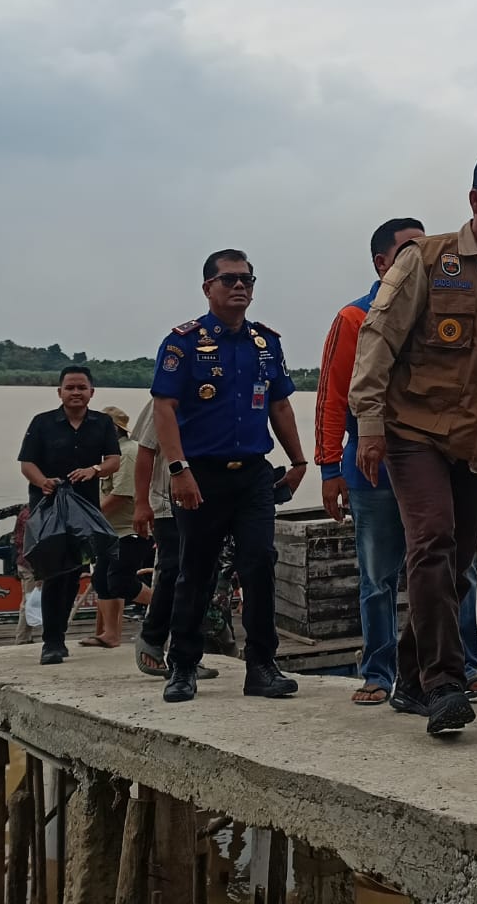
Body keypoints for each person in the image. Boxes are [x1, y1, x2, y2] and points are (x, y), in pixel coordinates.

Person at [348, 149, 477, 736]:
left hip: (476, 441)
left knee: (455, 566)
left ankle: (410, 680)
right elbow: (377, 340)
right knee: (433, 541)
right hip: (413, 432)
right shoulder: (425, 259)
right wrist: (369, 427)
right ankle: (445, 685)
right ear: (474, 200)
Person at [316, 218, 477, 706]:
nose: (422, 255)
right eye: (408, 249)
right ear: (382, 263)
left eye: (425, 245)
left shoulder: (448, 306)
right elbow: (333, 398)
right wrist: (329, 468)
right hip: (375, 467)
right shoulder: (354, 318)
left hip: (439, 461)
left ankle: (463, 666)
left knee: (456, 565)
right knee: (379, 576)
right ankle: (379, 673)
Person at [148, 248, 310, 703]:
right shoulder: (183, 343)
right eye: (229, 279)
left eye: (247, 280)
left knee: (259, 564)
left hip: (254, 475)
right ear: (208, 288)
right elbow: (164, 408)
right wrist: (178, 470)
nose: (240, 286)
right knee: (195, 570)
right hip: (200, 475)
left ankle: (262, 666)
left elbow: (280, 404)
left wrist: (299, 461)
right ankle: (183, 666)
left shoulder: (265, 343)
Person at [18, 366, 122, 665]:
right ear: (60, 391)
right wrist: (43, 481)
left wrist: (94, 470)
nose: (76, 392)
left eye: (81, 387)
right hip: (49, 507)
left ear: (92, 392)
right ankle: (51, 642)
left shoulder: (102, 423)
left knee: (74, 572)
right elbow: (27, 463)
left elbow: (113, 460)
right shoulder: (42, 423)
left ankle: (59, 635)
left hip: (85, 509)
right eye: (70, 387)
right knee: (53, 572)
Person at [129, 399, 218, 681]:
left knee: (205, 576)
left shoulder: (221, 393)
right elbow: (145, 451)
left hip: (208, 502)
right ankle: (152, 637)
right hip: (167, 501)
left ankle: (186, 654)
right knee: (173, 569)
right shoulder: (165, 398)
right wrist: (141, 503)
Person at [87, 405, 154, 648]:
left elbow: (121, 495)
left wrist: (88, 517)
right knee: (101, 582)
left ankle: (167, 607)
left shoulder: (128, 453)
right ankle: (111, 634)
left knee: (121, 581)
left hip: (130, 530)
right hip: (109, 531)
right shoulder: (108, 457)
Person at [0, 501, 35, 642]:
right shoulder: (36, 510)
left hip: (19, 562)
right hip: (29, 564)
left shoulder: (23, 508)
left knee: (28, 600)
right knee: (30, 601)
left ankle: (27, 636)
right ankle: (22, 638)